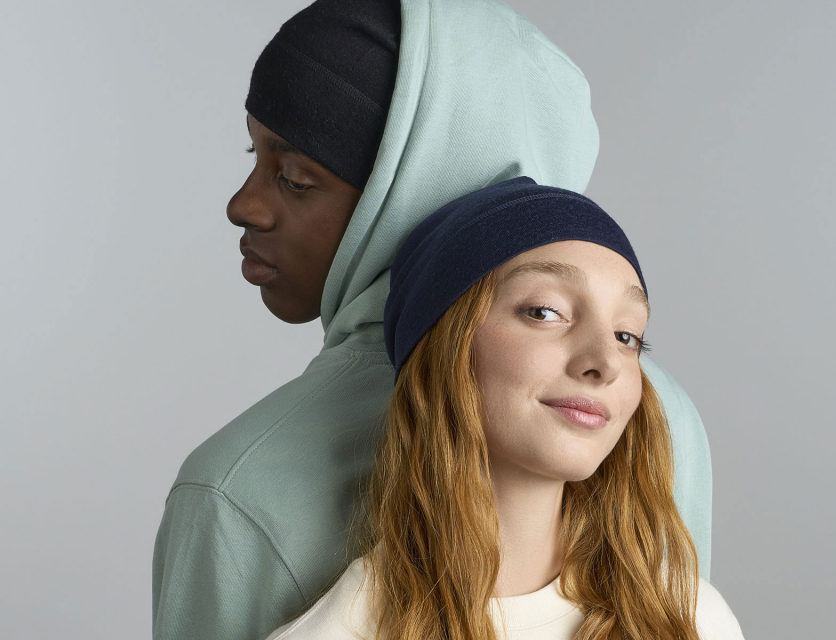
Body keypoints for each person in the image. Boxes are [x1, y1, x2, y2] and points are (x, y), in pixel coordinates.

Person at [152, 2, 713, 639]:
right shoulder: (659, 416)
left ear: (409, 185)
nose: (242, 205)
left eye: (296, 178)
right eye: (252, 155)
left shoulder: (238, 485)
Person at [265, 177, 742, 640]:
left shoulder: (689, 617)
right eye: (544, 312)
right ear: (444, 344)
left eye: (627, 336)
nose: (605, 362)